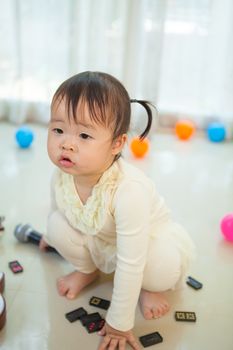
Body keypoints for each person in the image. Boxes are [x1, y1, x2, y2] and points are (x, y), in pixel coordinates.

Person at [39, 71, 195, 350]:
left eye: (84, 135)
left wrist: (119, 322)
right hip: (101, 238)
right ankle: (88, 270)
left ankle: (150, 288)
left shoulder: (128, 190)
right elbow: (57, 204)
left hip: (146, 245)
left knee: (159, 267)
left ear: (117, 144)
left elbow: (131, 260)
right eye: (58, 130)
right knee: (55, 224)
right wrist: (50, 238)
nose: (67, 143)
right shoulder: (62, 173)